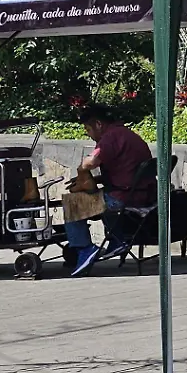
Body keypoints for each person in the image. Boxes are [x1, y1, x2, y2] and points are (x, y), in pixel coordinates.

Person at [62, 105, 153, 276]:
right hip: (142, 193)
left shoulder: (110, 137)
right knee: (102, 196)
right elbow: (126, 172)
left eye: (88, 129)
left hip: (125, 197)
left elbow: (91, 162)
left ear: (98, 124)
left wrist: (81, 171)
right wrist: (95, 180)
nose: (88, 134)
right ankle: (116, 241)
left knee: (72, 203)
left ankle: (84, 249)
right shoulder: (126, 134)